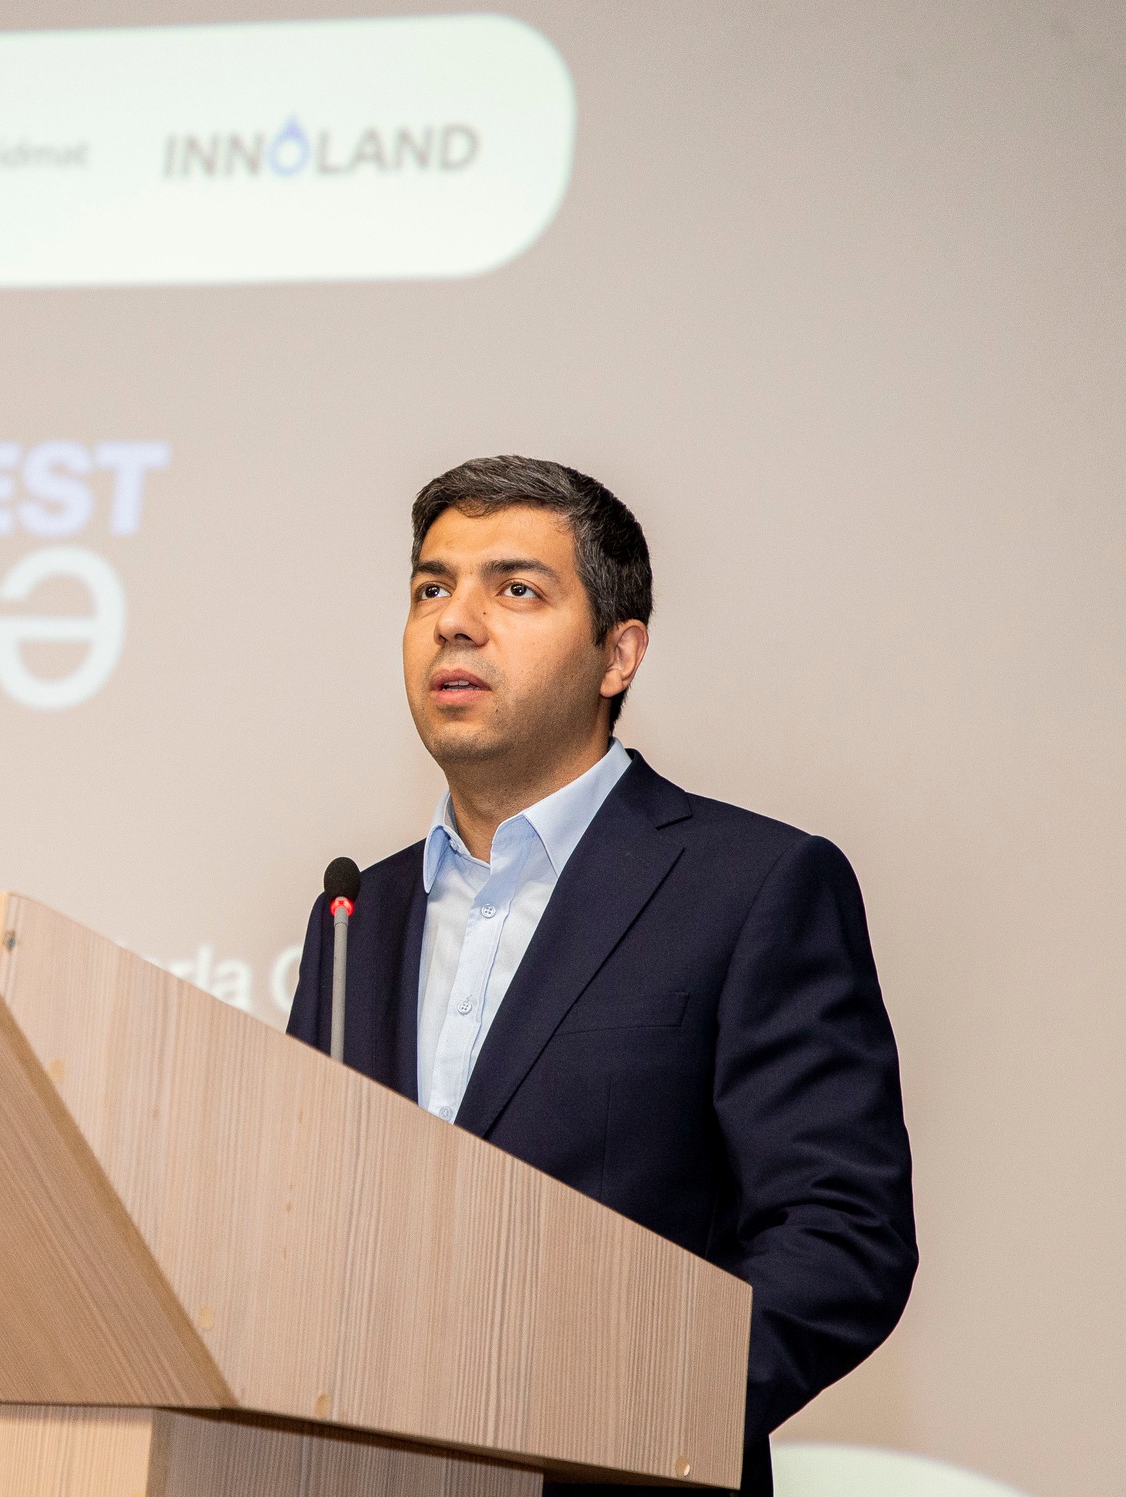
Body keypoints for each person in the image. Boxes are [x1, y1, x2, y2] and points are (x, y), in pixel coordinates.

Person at [285, 457, 915, 1496]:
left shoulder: (750, 885)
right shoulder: (357, 913)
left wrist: (627, 1409)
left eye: (515, 588)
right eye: (431, 588)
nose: (454, 622)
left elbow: (839, 1236)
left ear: (617, 654)